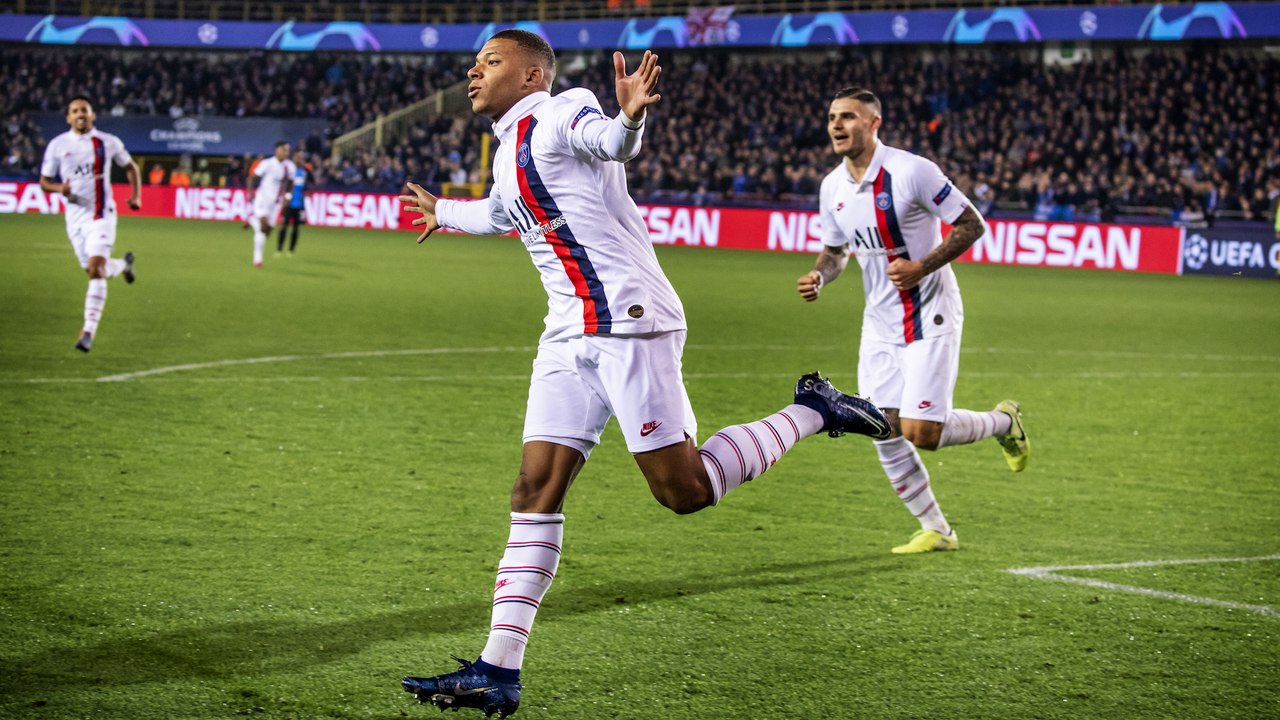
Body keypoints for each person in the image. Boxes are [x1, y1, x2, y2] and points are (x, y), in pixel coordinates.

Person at [396, 31, 890, 719]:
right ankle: (497, 670)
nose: (474, 72)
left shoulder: (563, 110)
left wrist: (628, 117)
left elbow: (609, 142)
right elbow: (500, 213)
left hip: (630, 323)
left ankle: (814, 408)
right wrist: (442, 212)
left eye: (491, 62)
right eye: (476, 62)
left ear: (532, 75)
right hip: (568, 333)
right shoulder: (509, 149)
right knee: (534, 488)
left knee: (683, 491)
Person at [796, 87, 1030, 555]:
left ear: (873, 123)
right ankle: (937, 530)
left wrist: (922, 266)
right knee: (880, 426)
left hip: (930, 312)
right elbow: (836, 252)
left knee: (923, 433)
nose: (837, 125)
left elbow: (971, 224)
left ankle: (1004, 423)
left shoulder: (912, 171)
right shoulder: (832, 187)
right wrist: (821, 276)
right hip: (879, 323)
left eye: (848, 117)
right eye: (832, 117)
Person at [38, 96, 141, 353]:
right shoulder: (57, 145)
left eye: (84, 110)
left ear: (93, 115)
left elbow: (131, 167)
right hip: (75, 219)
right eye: (75, 111)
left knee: (95, 269)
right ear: (68, 118)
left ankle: (88, 331)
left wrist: (136, 195)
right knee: (95, 270)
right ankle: (123, 265)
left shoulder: (108, 142)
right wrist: (59, 188)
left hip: (101, 215)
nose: (80, 114)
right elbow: (44, 182)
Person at [245, 141, 292, 267]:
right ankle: (257, 259)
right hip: (263, 199)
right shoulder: (267, 163)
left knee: (267, 231)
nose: (286, 153)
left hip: (275, 203)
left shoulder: (289, 166)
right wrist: (250, 193)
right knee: (263, 226)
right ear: (277, 150)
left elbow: (290, 182)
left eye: (287, 150)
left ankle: (252, 221)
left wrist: (287, 197)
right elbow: (252, 177)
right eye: (284, 150)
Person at [276, 149, 312, 257]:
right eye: (297, 157)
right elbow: (282, 183)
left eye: (301, 157)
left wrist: (308, 192)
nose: (299, 159)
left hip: (299, 204)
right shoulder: (288, 170)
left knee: (296, 227)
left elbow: (313, 183)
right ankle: (279, 249)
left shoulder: (305, 172)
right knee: (284, 225)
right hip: (288, 202)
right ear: (293, 158)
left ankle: (291, 250)